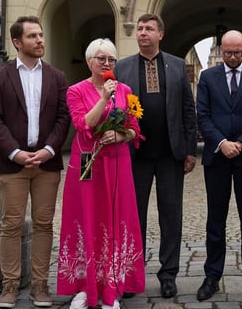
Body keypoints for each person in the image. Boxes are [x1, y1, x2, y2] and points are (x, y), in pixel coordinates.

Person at [0, 16, 71, 308]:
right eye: (33, 36)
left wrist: (48, 149)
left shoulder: (57, 77)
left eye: (42, 35)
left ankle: (40, 285)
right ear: (17, 42)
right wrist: (14, 152)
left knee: (44, 224)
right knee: (11, 225)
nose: (40, 41)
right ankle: (9, 286)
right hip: (13, 164)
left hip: (46, 164)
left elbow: (63, 118)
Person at [114, 13, 197, 299]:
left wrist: (189, 150)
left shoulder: (176, 66)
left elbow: (188, 109)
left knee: (170, 215)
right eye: (139, 29)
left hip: (170, 154)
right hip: (134, 155)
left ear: (160, 34)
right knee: (132, 216)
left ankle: (168, 274)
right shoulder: (122, 68)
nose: (143, 33)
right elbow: (115, 110)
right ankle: (130, 274)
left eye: (149, 28)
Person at [58, 38, 145, 309]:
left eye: (111, 60)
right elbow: (83, 124)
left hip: (117, 161)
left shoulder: (127, 91)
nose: (107, 64)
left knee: (116, 217)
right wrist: (105, 97)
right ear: (89, 62)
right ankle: (84, 286)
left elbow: (135, 129)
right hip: (87, 161)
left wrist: (122, 134)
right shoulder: (75, 90)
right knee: (87, 217)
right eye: (101, 59)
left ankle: (112, 285)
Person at [195, 30, 242, 301]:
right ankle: (212, 275)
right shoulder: (208, 77)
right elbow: (202, 114)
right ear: (221, 50)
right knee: (216, 218)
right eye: (228, 53)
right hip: (217, 158)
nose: (233, 57)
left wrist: (241, 143)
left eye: (238, 53)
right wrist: (222, 142)